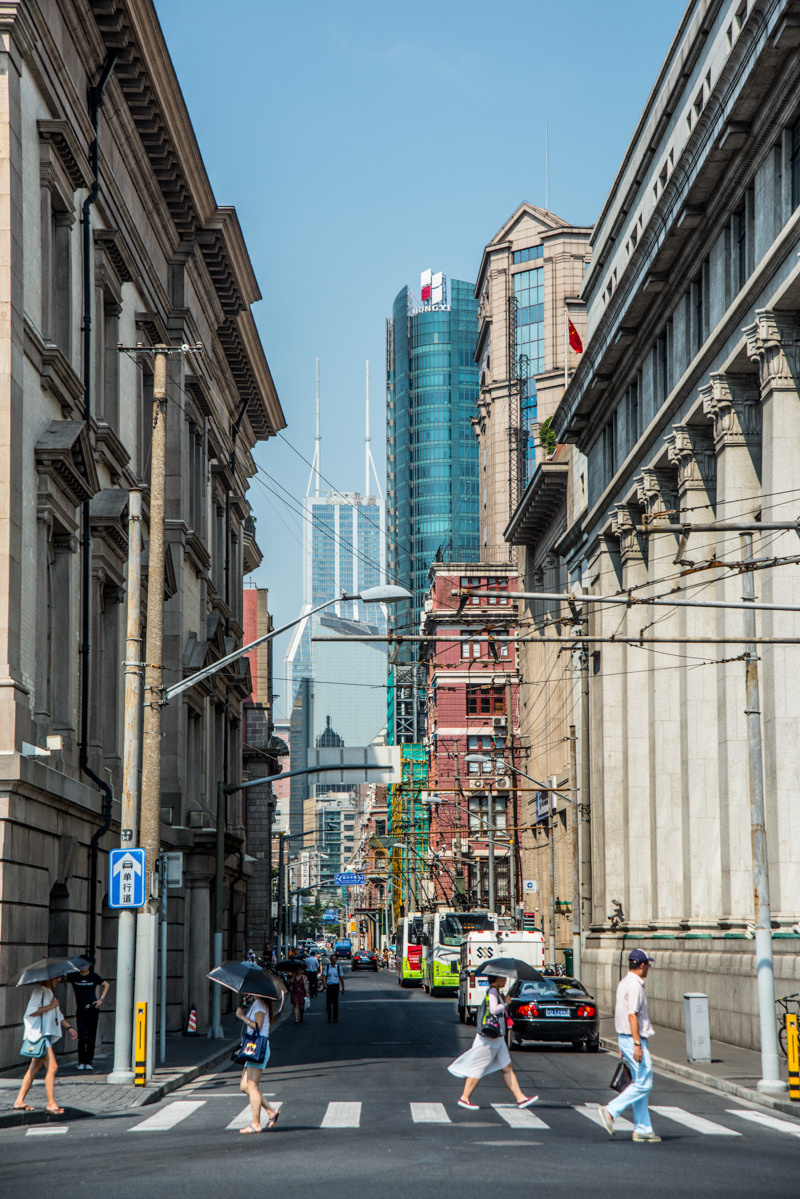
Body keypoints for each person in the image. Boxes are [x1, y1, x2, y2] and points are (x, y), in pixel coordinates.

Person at [448, 974, 538, 1110]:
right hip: (489, 1038)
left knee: (507, 1067)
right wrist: (505, 1003)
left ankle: (521, 1098)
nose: (506, 980)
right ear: (496, 979)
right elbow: (494, 1009)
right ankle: (464, 1097)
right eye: (503, 978)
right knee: (478, 1066)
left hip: (497, 1038)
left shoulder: (496, 991)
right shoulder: (492, 991)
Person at [597, 949, 660, 1143]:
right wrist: (636, 1044)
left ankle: (643, 1128)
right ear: (642, 966)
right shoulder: (635, 986)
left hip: (625, 1038)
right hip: (634, 1039)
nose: (648, 968)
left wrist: (624, 1043)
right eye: (647, 964)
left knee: (640, 1083)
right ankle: (610, 1110)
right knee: (644, 1083)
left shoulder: (623, 983)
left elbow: (622, 1013)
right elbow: (632, 1014)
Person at [14, 976, 78, 1114]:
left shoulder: (49, 992)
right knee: (53, 1067)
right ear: (48, 978)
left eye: (59, 978)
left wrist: (69, 1028)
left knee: (33, 1069)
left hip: (46, 1034)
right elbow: (31, 1012)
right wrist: (50, 1006)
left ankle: (19, 1100)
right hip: (40, 1035)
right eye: (56, 978)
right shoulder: (39, 991)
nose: (58, 980)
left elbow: (58, 1015)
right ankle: (51, 1103)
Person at [235, 992, 280, 1134]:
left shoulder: (260, 1004)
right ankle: (271, 1111)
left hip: (257, 1048)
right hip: (253, 1048)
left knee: (251, 1086)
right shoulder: (259, 1004)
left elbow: (258, 1026)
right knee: (244, 1086)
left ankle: (256, 1124)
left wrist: (242, 1017)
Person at [68, 959, 109, 1071]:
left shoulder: (94, 976)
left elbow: (106, 985)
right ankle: (81, 1061)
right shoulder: (74, 976)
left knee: (91, 1036)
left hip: (92, 1009)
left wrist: (101, 1000)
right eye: (82, 965)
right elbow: (61, 976)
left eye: (86, 965)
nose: (84, 967)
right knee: (81, 1036)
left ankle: (89, 1061)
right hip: (81, 1009)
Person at [324, 952, 345, 1023]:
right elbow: (324, 977)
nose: (333, 960)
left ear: (336, 960)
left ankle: (335, 1017)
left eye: (334, 959)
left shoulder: (339, 968)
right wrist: (325, 984)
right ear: (330, 960)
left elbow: (341, 978)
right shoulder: (327, 968)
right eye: (332, 959)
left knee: (335, 1002)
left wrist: (343, 988)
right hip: (329, 986)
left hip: (336, 986)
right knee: (328, 1002)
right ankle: (329, 1015)